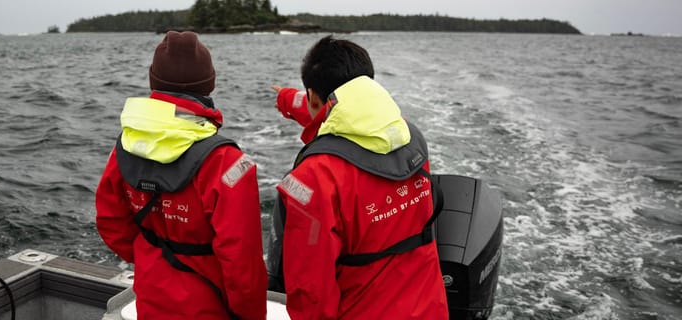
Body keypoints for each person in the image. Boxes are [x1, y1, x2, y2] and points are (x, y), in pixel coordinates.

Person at [266, 36, 449, 319]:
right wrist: (288, 100)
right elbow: (341, 114)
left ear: (314, 96)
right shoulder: (408, 136)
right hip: (430, 310)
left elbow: (312, 297)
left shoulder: (313, 180)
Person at [95, 31, 267, 320]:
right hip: (210, 308)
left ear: (154, 81)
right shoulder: (227, 162)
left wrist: (153, 261)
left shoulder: (124, 147)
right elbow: (242, 264)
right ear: (209, 84)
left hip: (150, 299)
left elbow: (110, 222)